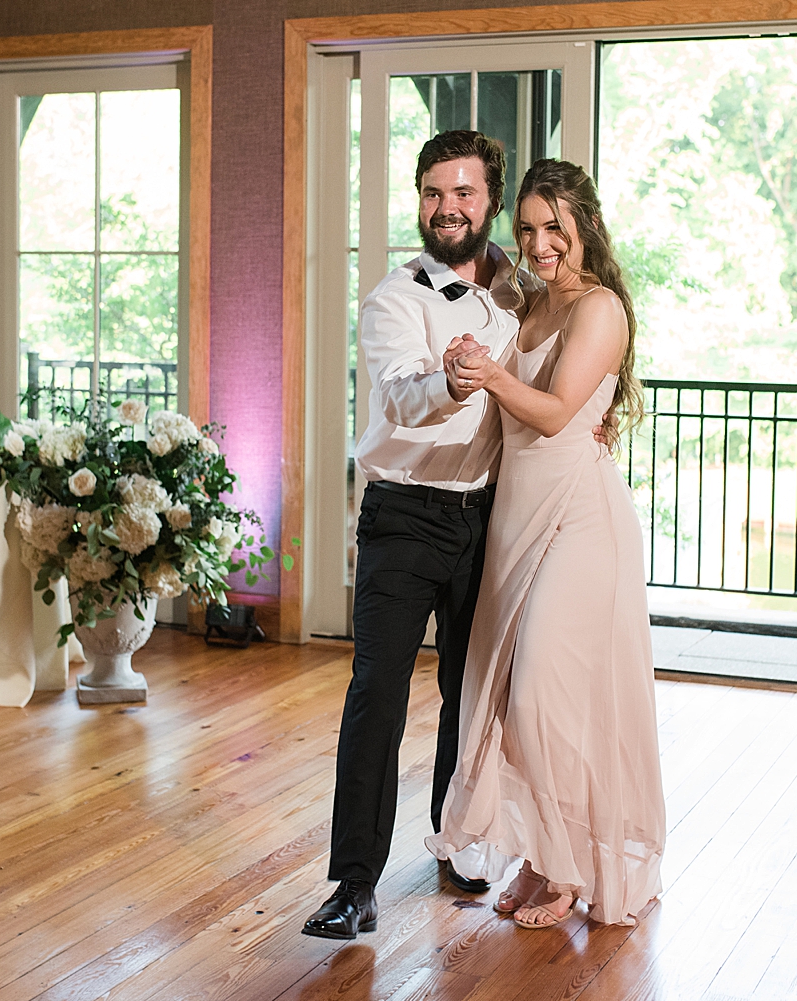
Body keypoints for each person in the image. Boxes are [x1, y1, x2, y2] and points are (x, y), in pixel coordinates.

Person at [426, 159, 667, 928]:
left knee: (540, 693)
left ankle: (566, 869)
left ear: (582, 225)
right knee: (510, 695)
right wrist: (467, 363)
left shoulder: (597, 309)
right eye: (527, 229)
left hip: (578, 517)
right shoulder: (527, 303)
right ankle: (540, 857)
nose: (537, 244)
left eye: (552, 228)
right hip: (515, 517)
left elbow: (560, 412)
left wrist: (492, 375)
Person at [301, 130, 526, 940]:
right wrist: (451, 380)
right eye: (433, 193)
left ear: (489, 200)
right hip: (403, 515)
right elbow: (399, 397)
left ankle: (458, 839)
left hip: (489, 514)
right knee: (376, 696)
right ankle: (353, 882)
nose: (446, 208)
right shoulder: (396, 298)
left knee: (471, 693)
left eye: (463, 193)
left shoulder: (523, 292)